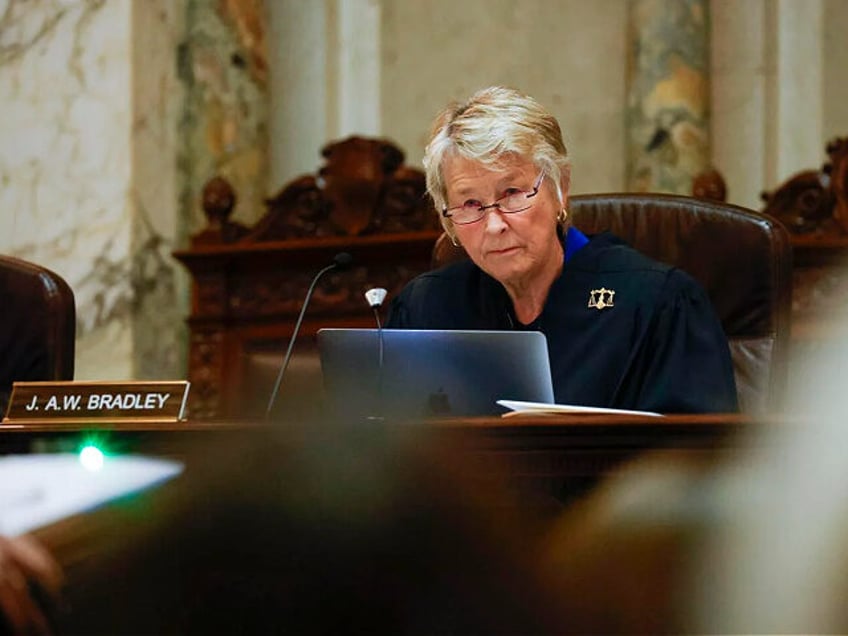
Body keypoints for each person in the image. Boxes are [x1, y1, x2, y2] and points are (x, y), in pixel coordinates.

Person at [385, 86, 738, 413]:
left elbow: (699, 466)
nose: (494, 224)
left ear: (560, 189)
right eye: (471, 204)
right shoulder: (427, 310)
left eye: (512, 193)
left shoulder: (659, 304)